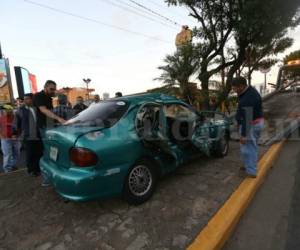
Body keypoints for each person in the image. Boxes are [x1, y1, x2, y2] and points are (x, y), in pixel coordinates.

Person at [33, 80, 66, 186]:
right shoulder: (39, 96)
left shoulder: (49, 96)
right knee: (47, 152)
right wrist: (59, 119)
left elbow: (56, 94)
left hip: (51, 126)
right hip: (44, 127)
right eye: (51, 89)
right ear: (45, 87)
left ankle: (53, 175)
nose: (53, 91)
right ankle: (47, 179)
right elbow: (44, 110)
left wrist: (61, 91)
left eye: (54, 89)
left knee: (53, 151)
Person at [232, 77, 264, 178]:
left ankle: (251, 171)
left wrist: (244, 135)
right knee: (249, 147)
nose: (234, 90)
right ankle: (248, 165)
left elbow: (247, 118)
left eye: (235, 88)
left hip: (251, 124)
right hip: (256, 122)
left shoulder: (248, 98)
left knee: (249, 148)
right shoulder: (249, 92)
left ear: (241, 86)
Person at [13, 93, 40, 176]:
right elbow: (16, 122)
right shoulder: (20, 110)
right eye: (24, 99)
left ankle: (37, 169)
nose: (25, 100)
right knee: (30, 153)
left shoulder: (37, 108)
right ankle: (30, 170)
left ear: (32, 99)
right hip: (27, 135)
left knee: (38, 152)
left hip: (38, 134)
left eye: (27, 98)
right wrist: (14, 133)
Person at [0, 104, 21, 173]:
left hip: (16, 139)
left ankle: (13, 165)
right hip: (5, 139)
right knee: (7, 154)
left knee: (17, 153)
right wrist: (1, 136)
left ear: (10, 110)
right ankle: (7, 169)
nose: (3, 111)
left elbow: (20, 127)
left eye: (5, 110)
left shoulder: (16, 118)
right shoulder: (1, 118)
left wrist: (17, 135)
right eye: (3, 110)